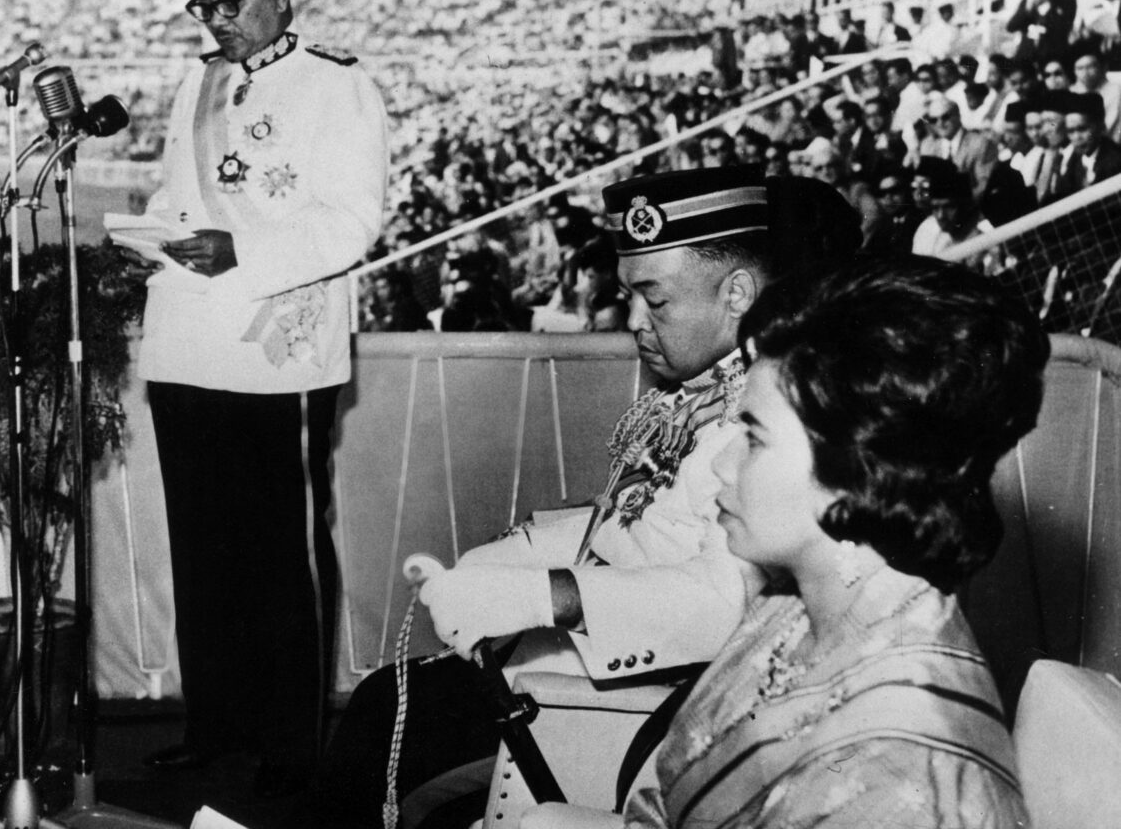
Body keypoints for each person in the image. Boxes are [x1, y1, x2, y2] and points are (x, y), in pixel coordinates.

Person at [316, 170, 861, 829]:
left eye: (654, 302)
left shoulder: (760, 419)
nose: (634, 323)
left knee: (388, 727)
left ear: (738, 292)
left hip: (610, 706)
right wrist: (504, 560)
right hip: (566, 667)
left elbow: (725, 600)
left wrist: (544, 594)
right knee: (383, 701)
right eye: (628, 297)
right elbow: (627, 522)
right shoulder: (692, 395)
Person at [523, 256, 1049, 829]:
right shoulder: (793, 606)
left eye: (753, 436)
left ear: (857, 473)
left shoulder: (904, 777)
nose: (724, 463)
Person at [129, 0, 389, 791]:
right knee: (203, 547)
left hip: (277, 348)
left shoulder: (337, 87)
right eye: (202, 4)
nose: (214, 21)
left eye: (228, 2)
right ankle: (216, 724)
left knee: (280, 553)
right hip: (188, 345)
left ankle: (287, 743)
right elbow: (178, 196)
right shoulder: (195, 86)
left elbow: (353, 221)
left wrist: (242, 252)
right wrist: (151, 236)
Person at [1007, 0, 1078, 66]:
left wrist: (1051, 2)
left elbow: (1064, 28)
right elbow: (1011, 27)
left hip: (1053, 58)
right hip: (1026, 57)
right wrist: (1028, 8)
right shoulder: (1028, 1)